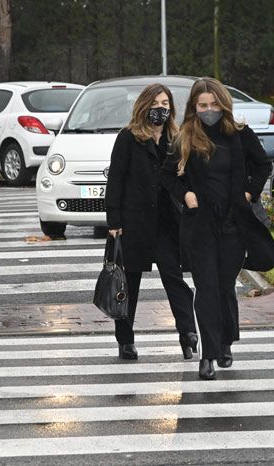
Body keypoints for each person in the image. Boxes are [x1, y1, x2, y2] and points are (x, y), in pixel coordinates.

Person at [160, 77, 274, 380]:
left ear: (223, 104)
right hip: (199, 224)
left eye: (214, 104)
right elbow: (167, 175)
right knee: (206, 287)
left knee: (224, 286)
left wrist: (249, 192)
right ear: (194, 107)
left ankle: (225, 342)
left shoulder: (238, 134)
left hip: (232, 223)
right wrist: (186, 195)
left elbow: (263, 165)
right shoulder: (185, 135)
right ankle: (208, 355)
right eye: (203, 105)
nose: (209, 110)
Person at [105, 83, 197, 360]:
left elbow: (185, 178)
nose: (161, 108)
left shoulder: (176, 138)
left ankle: (188, 334)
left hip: (167, 224)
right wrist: (114, 220)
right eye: (156, 103)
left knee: (175, 279)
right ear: (145, 106)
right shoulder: (128, 138)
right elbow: (116, 180)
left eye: (166, 103)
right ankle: (125, 340)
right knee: (127, 283)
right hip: (134, 224)